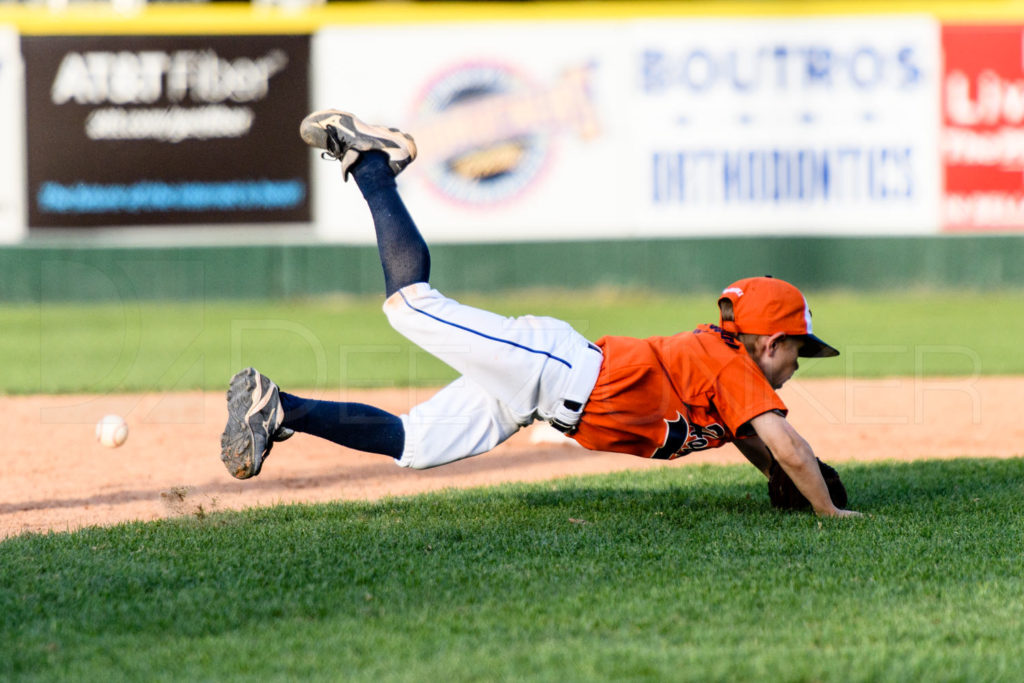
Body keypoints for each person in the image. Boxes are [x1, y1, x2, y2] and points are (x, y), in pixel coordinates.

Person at [219, 109, 859, 518]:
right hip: (558, 370)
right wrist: (831, 514)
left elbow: (761, 444)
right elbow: (791, 446)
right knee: (412, 307)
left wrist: (776, 474)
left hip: (541, 400)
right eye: (799, 353)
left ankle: (277, 408)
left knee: (417, 444)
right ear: (769, 342)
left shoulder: (730, 386)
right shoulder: (734, 367)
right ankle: (375, 167)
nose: (796, 368)